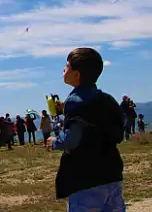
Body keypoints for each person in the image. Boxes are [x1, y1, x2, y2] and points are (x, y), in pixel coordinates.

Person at [46, 48, 125, 211]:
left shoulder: (74, 102)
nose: (63, 69)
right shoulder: (107, 99)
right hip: (112, 174)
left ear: (77, 74)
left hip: (86, 177)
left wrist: (54, 142)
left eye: (67, 66)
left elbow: (71, 140)